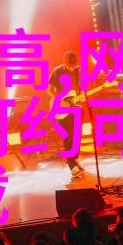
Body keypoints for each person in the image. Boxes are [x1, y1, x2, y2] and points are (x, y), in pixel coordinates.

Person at [47, 50, 87, 181]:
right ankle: (72, 166)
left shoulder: (78, 71)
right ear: (65, 63)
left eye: (73, 65)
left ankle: (74, 160)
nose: (71, 67)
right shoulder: (57, 71)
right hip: (62, 108)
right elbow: (49, 89)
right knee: (68, 137)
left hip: (75, 107)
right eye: (69, 65)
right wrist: (59, 99)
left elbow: (80, 89)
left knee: (77, 135)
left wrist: (82, 96)